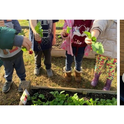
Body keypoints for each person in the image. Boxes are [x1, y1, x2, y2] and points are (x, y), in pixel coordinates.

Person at [85, 20, 117, 91]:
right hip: (102, 50)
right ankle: (96, 78)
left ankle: (108, 84)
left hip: (115, 53)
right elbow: (99, 24)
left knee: (111, 69)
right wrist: (93, 36)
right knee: (99, 65)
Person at [0, 20, 28, 93]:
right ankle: (8, 81)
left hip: (16, 52)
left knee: (20, 66)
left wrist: (6, 29)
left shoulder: (13, 20)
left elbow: (19, 31)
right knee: (8, 68)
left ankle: (22, 80)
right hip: (4, 55)